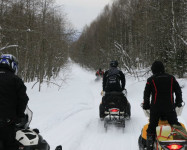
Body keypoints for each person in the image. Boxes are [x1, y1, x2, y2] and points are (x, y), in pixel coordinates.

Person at [142, 60, 183, 150]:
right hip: (170, 108)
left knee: (152, 127)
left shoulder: (151, 80)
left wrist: (146, 105)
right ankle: (182, 145)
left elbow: (146, 94)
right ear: (163, 68)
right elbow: (178, 91)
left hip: (155, 108)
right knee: (175, 125)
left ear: (153, 70)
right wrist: (178, 102)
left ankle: (149, 146)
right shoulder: (171, 78)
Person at [0, 54, 29, 150]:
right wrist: (19, 116)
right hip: (6, 123)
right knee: (11, 145)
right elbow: (23, 99)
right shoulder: (16, 80)